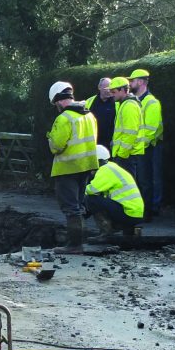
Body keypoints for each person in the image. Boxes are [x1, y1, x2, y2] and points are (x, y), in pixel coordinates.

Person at [46, 81, 99, 253]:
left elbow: (57, 146)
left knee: (70, 207)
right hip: (86, 166)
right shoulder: (89, 115)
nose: (56, 107)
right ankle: (79, 243)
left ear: (59, 100)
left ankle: (74, 245)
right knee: (78, 205)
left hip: (67, 168)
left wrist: (50, 138)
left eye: (55, 104)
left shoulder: (64, 118)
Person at [85, 144, 144, 238]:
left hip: (128, 213)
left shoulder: (105, 170)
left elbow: (92, 190)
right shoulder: (113, 167)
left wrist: (80, 194)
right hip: (134, 213)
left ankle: (106, 232)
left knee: (91, 199)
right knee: (97, 200)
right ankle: (119, 228)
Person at [129, 68, 163, 218]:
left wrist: (137, 146)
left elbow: (150, 130)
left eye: (132, 81)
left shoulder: (151, 102)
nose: (130, 83)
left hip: (149, 147)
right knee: (142, 179)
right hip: (138, 147)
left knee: (147, 180)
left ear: (141, 82)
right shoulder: (134, 102)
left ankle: (149, 210)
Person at [108, 76, 144, 179]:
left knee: (126, 186)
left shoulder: (129, 106)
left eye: (113, 92)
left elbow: (130, 134)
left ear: (123, 90)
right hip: (126, 154)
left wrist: (121, 155)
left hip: (127, 156)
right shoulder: (125, 104)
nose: (111, 94)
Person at [85, 77, 115, 149]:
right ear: (99, 87)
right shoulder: (90, 101)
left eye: (110, 88)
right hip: (94, 141)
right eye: (106, 88)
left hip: (110, 142)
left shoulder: (116, 102)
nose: (108, 91)